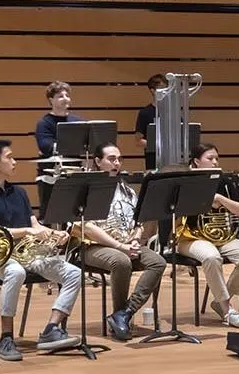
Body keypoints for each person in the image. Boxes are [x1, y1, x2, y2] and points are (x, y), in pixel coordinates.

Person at [0, 139, 83, 360]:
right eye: (9, 157)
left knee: (73, 273)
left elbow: (34, 225)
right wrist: (30, 232)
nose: (15, 161)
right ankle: (6, 337)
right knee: (16, 272)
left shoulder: (19, 192)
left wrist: (51, 233)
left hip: (27, 254)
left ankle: (51, 330)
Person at [67, 141, 165, 340]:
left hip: (127, 243)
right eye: (111, 159)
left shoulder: (127, 190)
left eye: (119, 159)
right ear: (97, 161)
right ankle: (120, 317)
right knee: (121, 261)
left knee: (158, 262)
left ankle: (124, 313)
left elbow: (139, 220)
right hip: (93, 246)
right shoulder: (87, 190)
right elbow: (86, 227)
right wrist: (120, 246)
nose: (117, 163)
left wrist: (137, 239)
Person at [176, 143, 239, 327]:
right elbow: (176, 212)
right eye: (209, 158)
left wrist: (220, 199)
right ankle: (228, 310)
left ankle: (219, 301)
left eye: (216, 158)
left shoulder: (225, 182)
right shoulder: (185, 182)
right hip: (190, 237)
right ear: (196, 162)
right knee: (212, 257)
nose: (215, 162)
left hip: (222, 237)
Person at [35, 81, 83, 159]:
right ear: (51, 100)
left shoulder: (78, 121)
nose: (65, 99)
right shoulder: (43, 123)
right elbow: (46, 147)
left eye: (67, 96)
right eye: (60, 96)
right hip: (52, 169)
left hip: (75, 167)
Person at [134, 74, 166, 168]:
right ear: (153, 91)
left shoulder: (173, 112)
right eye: (162, 89)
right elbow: (138, 141)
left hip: (172, 158)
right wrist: (158, 146)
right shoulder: (145, 113)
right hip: (153, 158)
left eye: (166, 89)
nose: (165, 92)